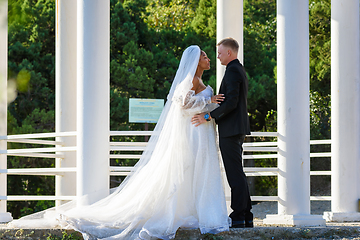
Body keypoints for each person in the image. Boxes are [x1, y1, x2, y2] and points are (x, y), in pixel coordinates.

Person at [9, 45, 230, 239]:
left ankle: (199, 209)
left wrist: (209, 108)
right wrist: (208, 100)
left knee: (198, 172)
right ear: (194, 60)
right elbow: (181, 103)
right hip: (191, 133)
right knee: (186, 171)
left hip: (202, 133)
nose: (208, 58)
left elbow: (197, 105)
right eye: (204, 56)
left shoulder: (201, 81)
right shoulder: (190, 80)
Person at [191, 37, 253, 228]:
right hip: (234, 128)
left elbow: (231, 103)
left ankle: (238, 214)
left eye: (219, 53)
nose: (217, 56)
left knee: (234, 173)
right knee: (237, 172)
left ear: (229, 53)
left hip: (231, 129)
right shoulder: (236, 69)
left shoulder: (233, 70)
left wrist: (208, 117)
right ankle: (246, 214)